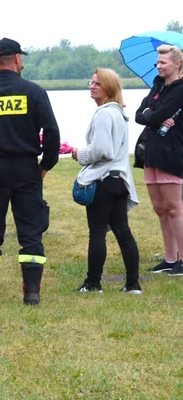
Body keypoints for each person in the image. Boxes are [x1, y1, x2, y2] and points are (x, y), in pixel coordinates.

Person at [0, 38, 59, 306]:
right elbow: (52, 131)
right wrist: (46, 165)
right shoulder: (33, 92)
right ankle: (31, 293)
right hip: (26, 169)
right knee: (31, 231)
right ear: (17, 59)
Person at [72, 68, 141, 294]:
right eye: (91, 82)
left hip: (103, 181)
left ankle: (93, 284)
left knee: (97, 233)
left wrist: (79, 153)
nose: (92, 87)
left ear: (109, 88)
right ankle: (133, 284)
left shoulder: (103, 114)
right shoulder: (119, 113)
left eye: (97, 84)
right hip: (120, 180)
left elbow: (104, 151)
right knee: (123, 232)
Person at [134, 44, 183, 276]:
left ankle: (182, 259)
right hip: (150, 152)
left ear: (177, 64)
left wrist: (151, 116)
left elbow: (155, 114)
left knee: (174, 208)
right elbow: (139, 114)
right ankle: (169, 258)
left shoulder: (180, 89)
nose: (158, 66)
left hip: (171, 153)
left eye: (163, 62)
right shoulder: (157, 86)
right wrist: (151, 116)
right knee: (160, 209)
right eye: (158, 61)